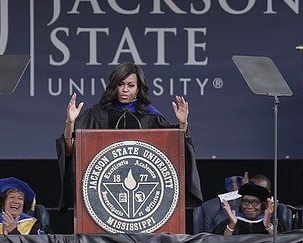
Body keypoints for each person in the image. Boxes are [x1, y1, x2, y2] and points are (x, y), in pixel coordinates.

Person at [56, 62, 202, 211]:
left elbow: (177, 152)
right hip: (103, 193)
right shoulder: (97, 115)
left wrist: (182, 124)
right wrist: (70, 122)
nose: (125, 90)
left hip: (144, 194)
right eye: (121, 84)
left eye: (131, 85)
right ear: (114, 86)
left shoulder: (150, 117)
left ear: (138, 89)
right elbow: (70, 151)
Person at [211, 183, 280, 236]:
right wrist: (231, 225)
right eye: (245, 202)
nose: (249, 206)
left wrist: (268, 227)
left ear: (262, 205)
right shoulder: (231, 222)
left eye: (255, 202)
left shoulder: (274, 223)